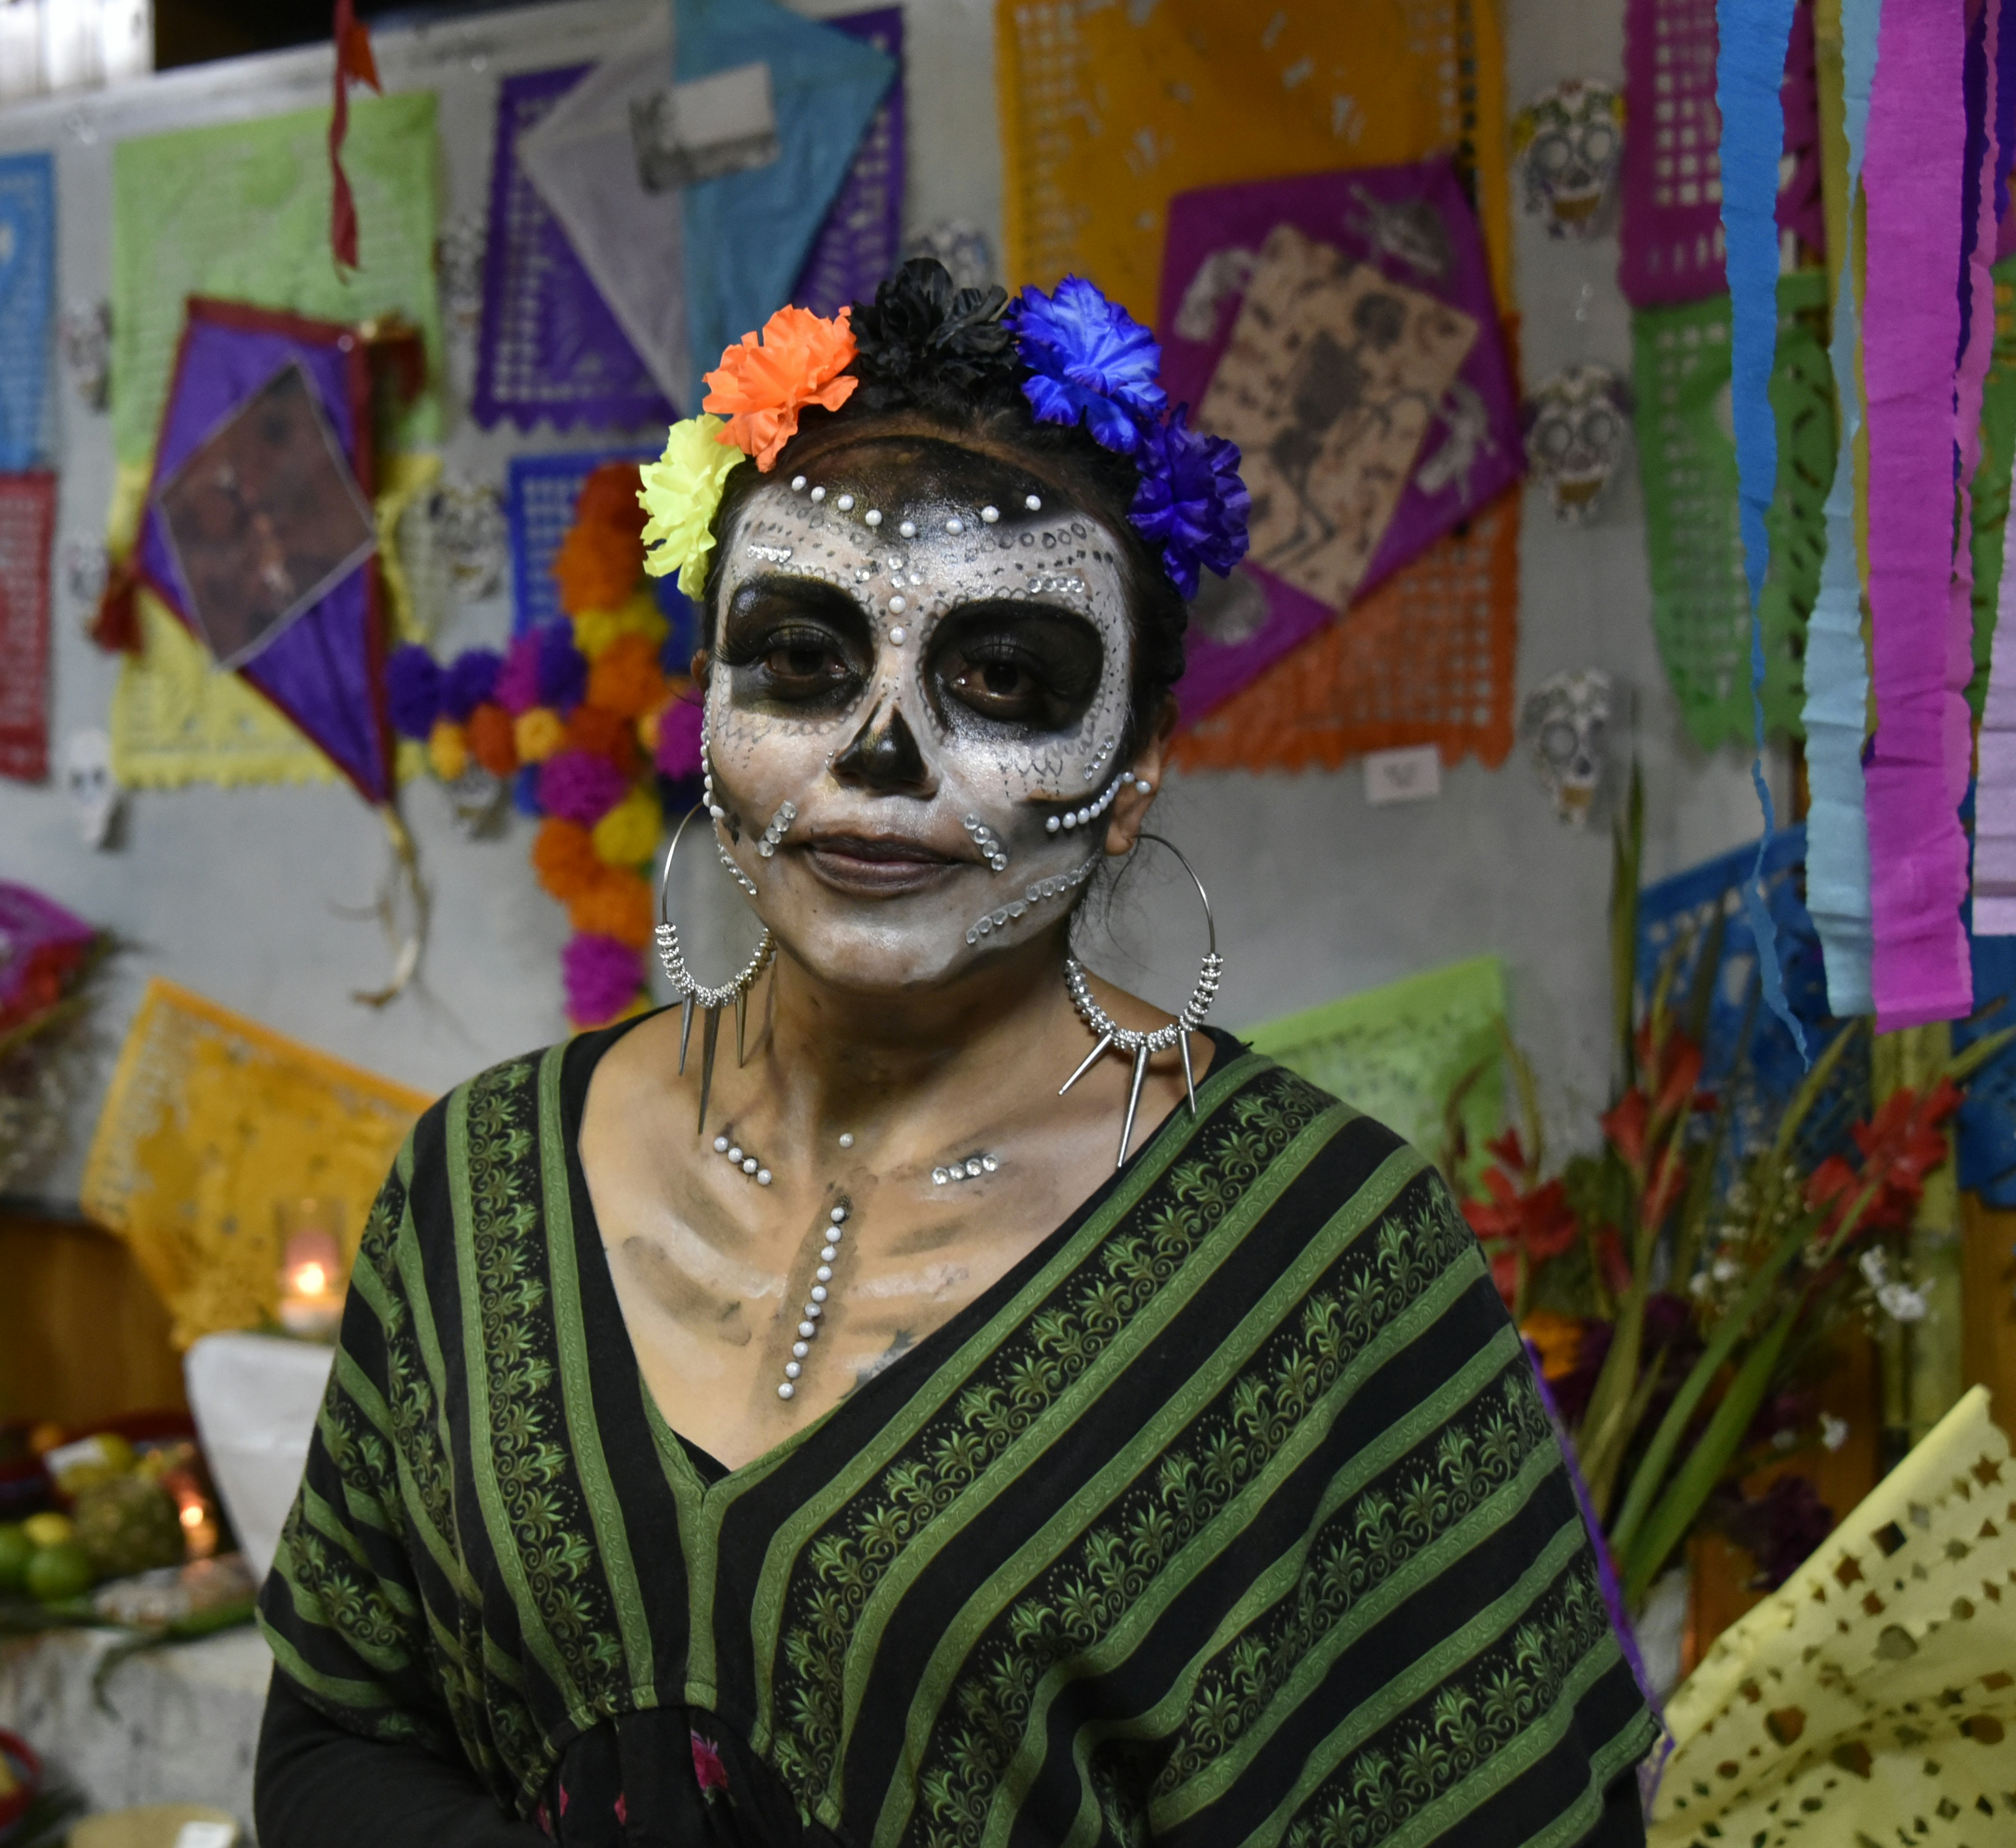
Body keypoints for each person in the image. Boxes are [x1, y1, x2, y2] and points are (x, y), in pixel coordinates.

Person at [253, 261, 1655, 1846]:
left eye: (999, 677)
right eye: (803, 656)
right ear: (704, 711)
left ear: (1131, 778)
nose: (881, 751)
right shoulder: (476, 1181)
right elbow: (330, 1743)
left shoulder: (1326, 1272)